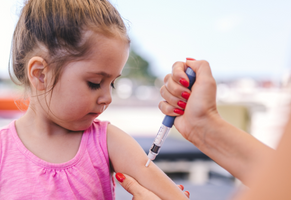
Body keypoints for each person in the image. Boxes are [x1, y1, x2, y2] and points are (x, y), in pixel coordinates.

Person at [0, 0, 189, 199]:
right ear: (40, 74)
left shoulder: (108, 142)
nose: (107, 98)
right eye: (94, 82)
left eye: (111, 83)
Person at [115, 59, 291, 200]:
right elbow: (284, 181)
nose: (107, 99)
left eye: (112, 85)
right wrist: (202, 125)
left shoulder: (112, 138)